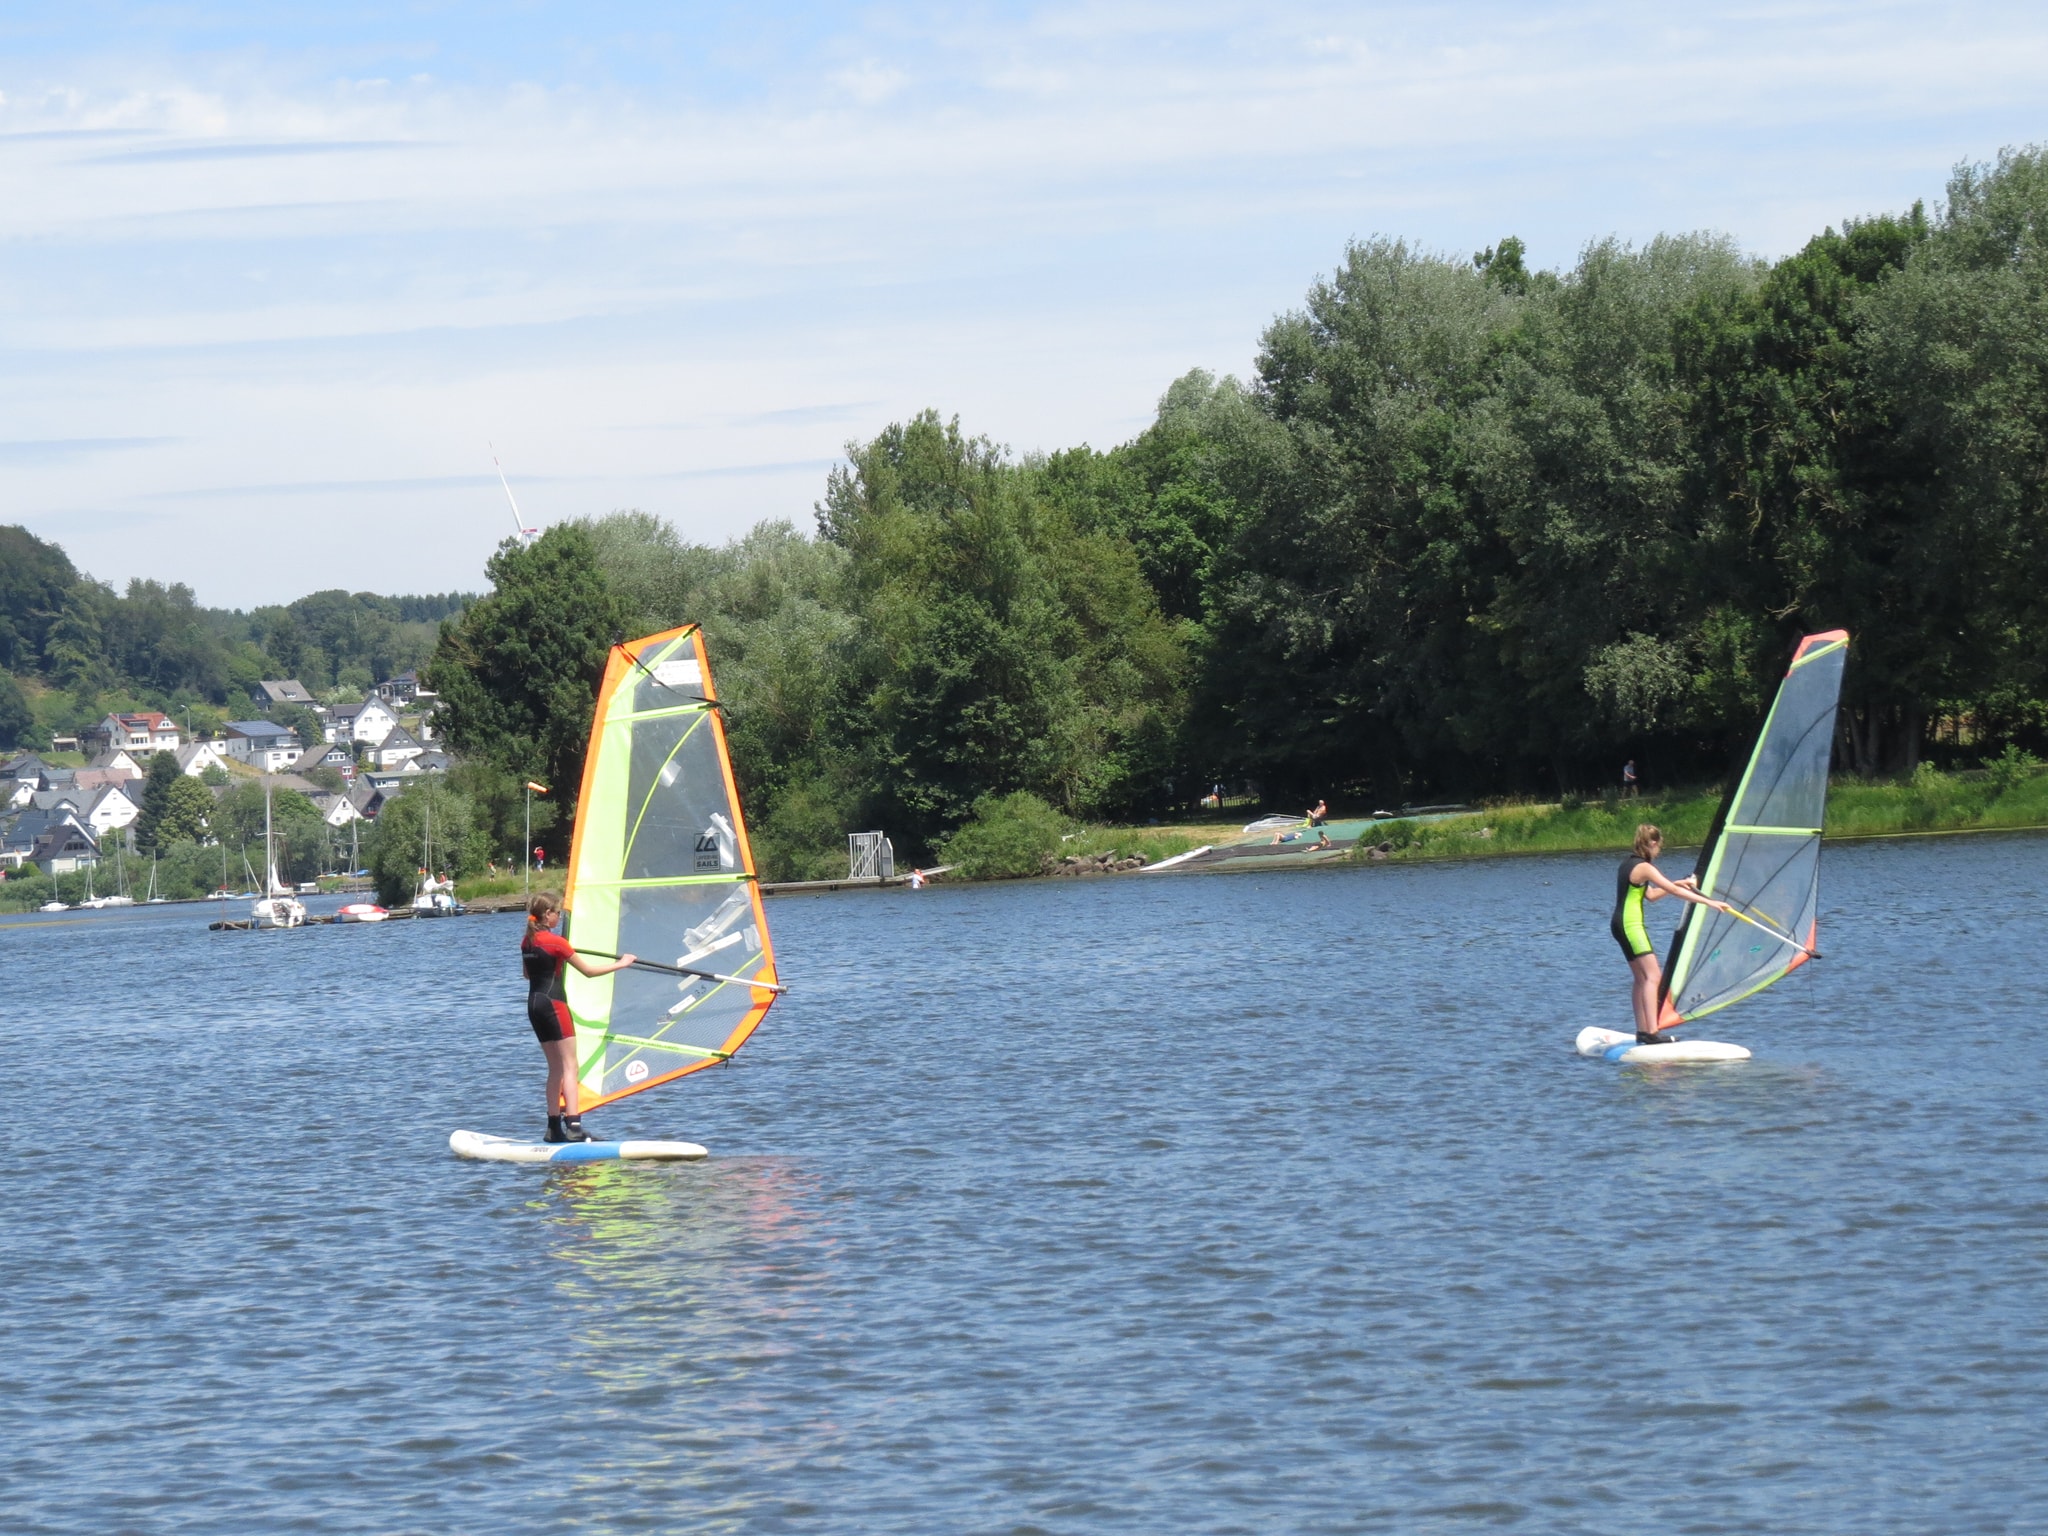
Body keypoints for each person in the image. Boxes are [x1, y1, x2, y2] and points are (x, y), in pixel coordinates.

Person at [521, 892, 636, 1142]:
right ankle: (573, 1126)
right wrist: (622, 963)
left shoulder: (527, 942)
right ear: (548, 914)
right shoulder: (556, 943)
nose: (559, 916)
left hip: (534, 1005)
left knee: (555, 1068)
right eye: (557, 912)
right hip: (554, 1004)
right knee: (571, 1066)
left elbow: (527, 975)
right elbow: (589, 972)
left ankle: (553, 1128)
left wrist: (556, 960)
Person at [1612, 824, 1729, 1044]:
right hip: (1631, 926)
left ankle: (1642, 1031)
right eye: (1659, 848)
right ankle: (1652, 1033)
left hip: (1619, 924)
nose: (1658, 852)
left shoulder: (1627, 864)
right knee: (1653, 976)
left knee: (1640, 978)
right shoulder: (1645, 867)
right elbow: (1674, 892)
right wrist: (1709, 902)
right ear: (1653, 843)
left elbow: (1652, 895)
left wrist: (1676, 883)